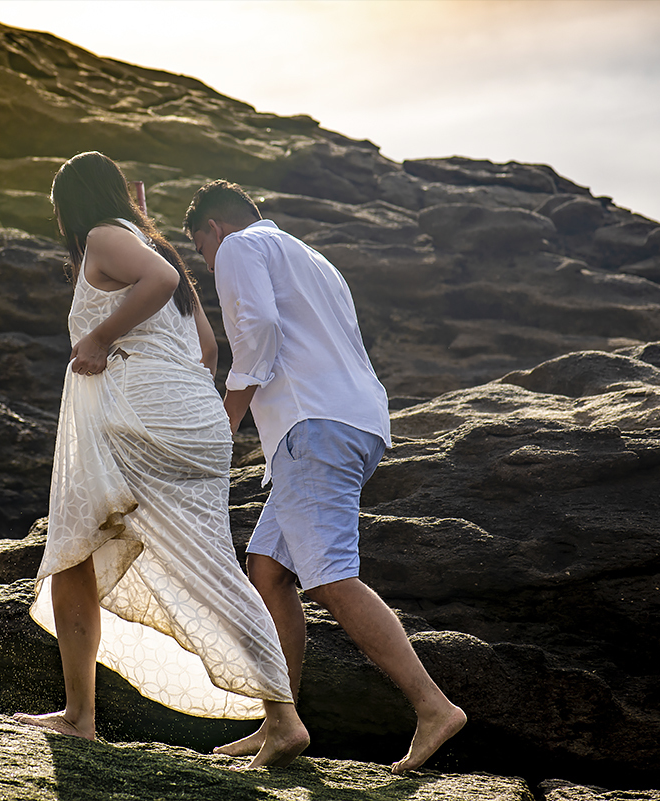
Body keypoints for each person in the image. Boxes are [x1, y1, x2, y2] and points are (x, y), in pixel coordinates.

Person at [13, 152, 310, 770]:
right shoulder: (153, 248)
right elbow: (206, 348)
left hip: (139, 416)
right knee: (104, 554)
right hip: (194, 419)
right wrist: (178, 400)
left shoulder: (103, 238)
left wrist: (97, 340)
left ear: (69, 205)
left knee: (85, 548)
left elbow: (161, 284)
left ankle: (86, 718)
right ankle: (83, 716)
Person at [182, 180, 466, 775]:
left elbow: (256, 330)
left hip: (314, 427)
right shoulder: (312, 258)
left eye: (203, 255)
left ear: (214, 230)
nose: (210, 268)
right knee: (270, 571)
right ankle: (279, 722)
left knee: (330, 576)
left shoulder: (239, 248)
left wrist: (226, 421)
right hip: (354, 424)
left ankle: (434, 706)